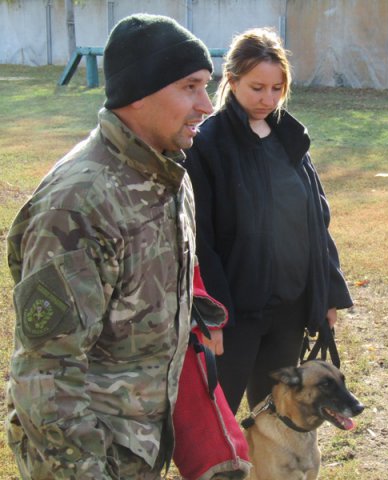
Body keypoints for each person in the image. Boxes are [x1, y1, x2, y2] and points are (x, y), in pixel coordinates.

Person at [5, 13, 226, 479]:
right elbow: (46, 377)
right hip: (91, 458)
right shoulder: (79, 204)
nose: (206, 104)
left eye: (206, 86)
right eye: (190, 86)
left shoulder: (166, 174)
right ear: (140, 93)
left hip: (141, 446)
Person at [183, 27, 353, 415]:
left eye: (277, 88)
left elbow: (315, 220)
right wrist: (213, 314)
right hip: (235, 314)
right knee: (218, 415)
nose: (268, 99)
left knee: (273, 413)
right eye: (257, 87)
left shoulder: (290, 139)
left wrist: (327, 294)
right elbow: (200, 238)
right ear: (232, 80)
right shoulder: (207, 146)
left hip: (289, 310)